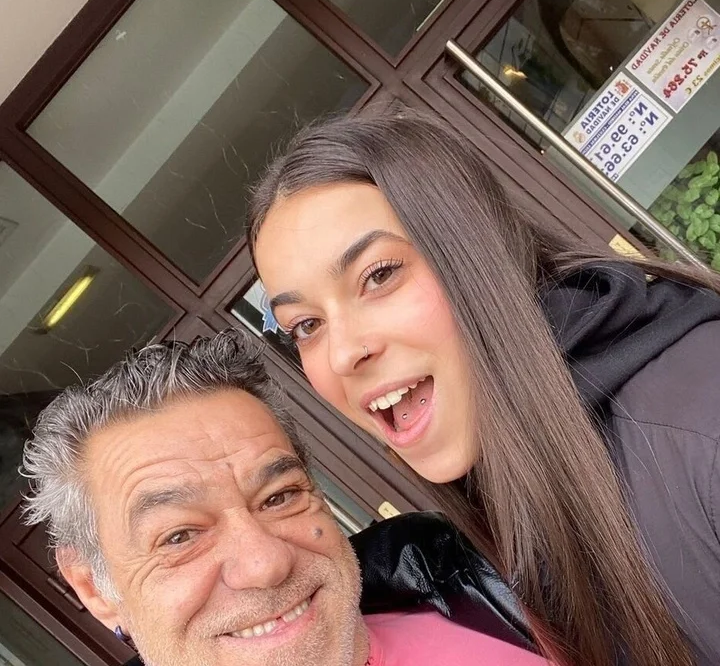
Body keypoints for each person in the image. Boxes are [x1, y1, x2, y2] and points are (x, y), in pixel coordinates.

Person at [248, 110, 720, 666]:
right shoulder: (502, 511)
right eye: (306, 325)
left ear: (474, 251)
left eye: (379, 275)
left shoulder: (700, 417)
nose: (344, 353)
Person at [22, 332, 547, 666]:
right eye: (179, 535)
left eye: (279, 497)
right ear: (94, 587)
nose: (265, 563)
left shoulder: (490, 593)